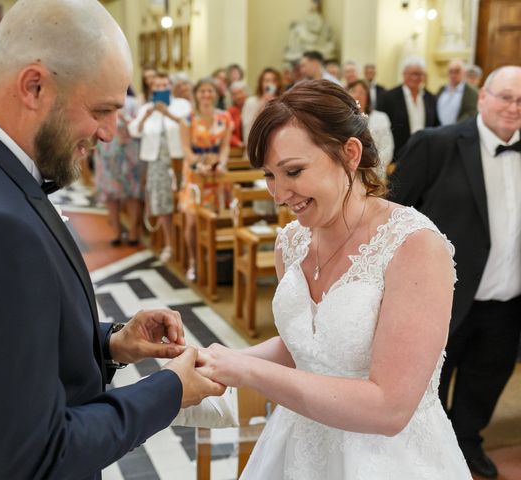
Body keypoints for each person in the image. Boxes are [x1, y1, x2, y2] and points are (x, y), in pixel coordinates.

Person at [0, 2, 224, 479]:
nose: (108, 134)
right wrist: (168, 390)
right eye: (101, 110)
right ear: (34, 85)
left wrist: (109, 343)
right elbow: (35, 458)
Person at [196, 80, 471, 479]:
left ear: (350, 154)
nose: (278, 193)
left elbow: (390, 408)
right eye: (270, 175)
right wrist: (213, 361)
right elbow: (305, 347)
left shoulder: (413, 246)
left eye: (293, 171)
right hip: (300, 443)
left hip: (385, 458)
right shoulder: (290, 242)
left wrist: (248, 372)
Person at [388, 65, 521, 479]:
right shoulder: (435, 144)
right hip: (440, 300)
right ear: (482, 97)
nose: (514, 108)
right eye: (505, 97)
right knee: (426, 387)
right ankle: (419, 457)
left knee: (486, 381)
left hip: (507, 302)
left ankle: (467, 441)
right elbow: (391, 217)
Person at [129, 73, 191, 264]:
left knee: (183, 202)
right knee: (163, 203)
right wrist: (147, 115)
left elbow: (187, 125)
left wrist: (167, 113)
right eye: (157, 85)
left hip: (179, 159)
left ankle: (187, 249)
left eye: (165, 84)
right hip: (156, 160)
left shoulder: (181, 104)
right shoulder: (146, 108)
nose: (161, 88)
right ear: (152, 89)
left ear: (170, 87)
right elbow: (134, 131)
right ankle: (169, 244)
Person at [179, 78, 233, 281]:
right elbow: (186, 150)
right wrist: (199, 163)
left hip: (216, 172)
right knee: (192, 222)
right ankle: (193, 261)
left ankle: (214, 262)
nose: (206, 95)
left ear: (216, 94)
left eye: (210, 90)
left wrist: (222, 163)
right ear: (196, 94)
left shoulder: (225, 118)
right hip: (195, 173)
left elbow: (225, 146)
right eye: (202, 91)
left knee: (215, 219)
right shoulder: (188, 120)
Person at [93, 89, 144, 246]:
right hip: (108, 150)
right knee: (111, 193)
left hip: (130, 150)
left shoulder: (133, 102)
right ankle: (116, 232)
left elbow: (140, 127)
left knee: (132, 192)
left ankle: (133, 232)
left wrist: (126, 122)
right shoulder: (101, 99)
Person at [377, 57, 438, 162]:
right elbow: (382, 129)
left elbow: (435, 125)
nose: (415, 78)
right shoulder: (388, 97)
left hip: (424, 154)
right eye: (411, 74)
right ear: (404, 74)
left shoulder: (430, 98)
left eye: (418, 74)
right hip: (398, 157)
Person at [347, 79, 394, 177]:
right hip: (348, 173)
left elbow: (387, 148)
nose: (357, 95)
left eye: (362, 92)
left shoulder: (380, 118)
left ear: (368, 97)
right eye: (354, 91)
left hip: (374, 174)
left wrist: (370, 168)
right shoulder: (343, 119)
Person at [242, 67, 282, 145]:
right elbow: (247, 130)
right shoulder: (251, 102)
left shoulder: (282, 103)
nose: (270, 84)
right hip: (255, 146)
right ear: (261, 83)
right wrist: (262, 105)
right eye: (266, 81)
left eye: (274, 81)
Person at [436, 58, 478, 125]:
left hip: (459, 131)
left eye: (457, 71)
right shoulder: (442, 90)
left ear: (464, 73)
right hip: (439, 131)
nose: (453, 75)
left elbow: (470, 114)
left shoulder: (471, 92)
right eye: (451, 71)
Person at [227, 80, 248, 147]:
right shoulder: (230, 112)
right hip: (238, 148)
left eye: (240, 92)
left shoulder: (252, 107)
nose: (238, 96)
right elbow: (228, 133)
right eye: (235, 94)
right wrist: (238, 143)